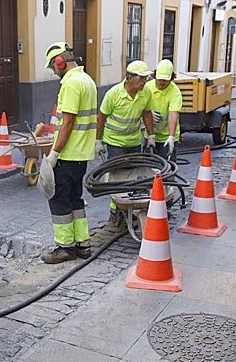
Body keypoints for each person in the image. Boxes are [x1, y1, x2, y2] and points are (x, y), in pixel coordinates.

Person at [40, 42, 98, 264]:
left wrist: (54, 153)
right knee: (75, 200)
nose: (53, 71)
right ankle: (82, 244)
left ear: (60, 62)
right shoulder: (87, 80)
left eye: (53, 67)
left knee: (58, 200)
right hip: (81, 155)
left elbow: (68, 122)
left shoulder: (71, 84)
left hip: (67, 155)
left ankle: (65, 248)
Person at [96, 60, 155, 161]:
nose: (145, 81)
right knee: (117, 173)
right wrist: (98, 140)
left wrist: (151, 136)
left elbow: (147, 114)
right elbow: (101, 118)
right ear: (129, 78)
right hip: (115, 143)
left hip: (134, 142)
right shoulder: (113, 94)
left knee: (134, 173)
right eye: (141, 78)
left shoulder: (146, 92)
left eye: (146, 78)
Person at [144, 59, 183, 161]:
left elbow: (173, 115)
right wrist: (147, 113)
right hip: (151, 135)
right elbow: (139, 107)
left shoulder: (175, 92)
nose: (162, 82)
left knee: (168, 169)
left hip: (167, 137)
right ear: (155, 76)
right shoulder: (147, 88)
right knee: (149, 167)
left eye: (165, 80)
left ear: (171, 78)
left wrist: (171, 137)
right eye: (159, 79)